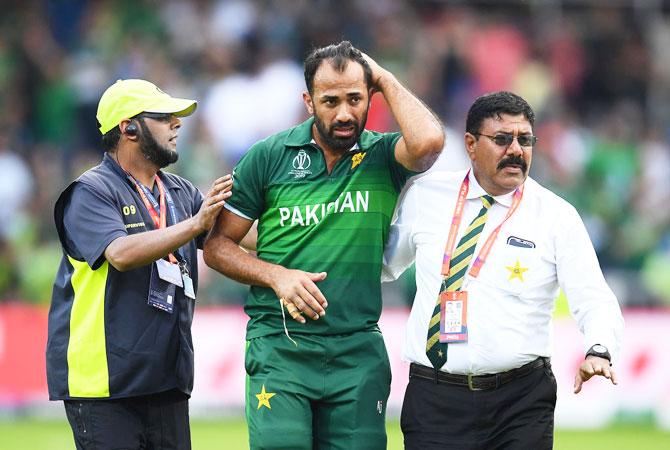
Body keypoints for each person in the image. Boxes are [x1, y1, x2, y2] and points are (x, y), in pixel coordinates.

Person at [203, 41, 444, 449]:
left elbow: (428, 143)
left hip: (357, 350)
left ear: (371, 95)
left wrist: (382, 75)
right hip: (281, 345)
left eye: (355, 98)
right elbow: (217, 246)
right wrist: (276, 276)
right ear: (308, 101)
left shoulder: (382, 155)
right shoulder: (269, 156)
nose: (345, 112)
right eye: (330, 101)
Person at [383, 91, 625, 449]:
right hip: (435, 399)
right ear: (470, 143)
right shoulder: (425, 196)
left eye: (525, 140)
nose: (515, 150)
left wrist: (599, 350)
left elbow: (593, 296)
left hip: (520, 402)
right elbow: (383, 265)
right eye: (501, 139)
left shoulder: (556, 215)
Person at [46, 79, 232, 450]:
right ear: (128, 127)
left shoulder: (180, 191)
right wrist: (195, 225)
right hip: (104, 385)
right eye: (164, 117)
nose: (177, 124)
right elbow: (119, 253)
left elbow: (242, 234)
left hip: (166, 379)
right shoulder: (91, 191)